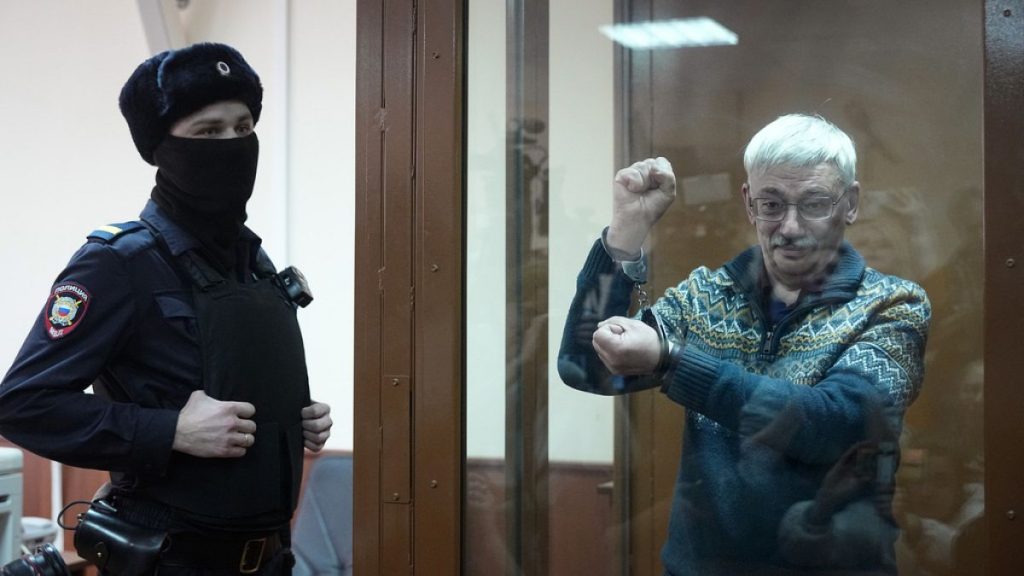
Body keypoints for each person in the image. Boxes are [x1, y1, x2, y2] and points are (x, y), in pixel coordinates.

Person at [0, 42, 332, 575]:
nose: (232, 144)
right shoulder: (118, 263)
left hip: (271, 558)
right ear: (161, 148)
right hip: (169, 560)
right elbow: (22, 404)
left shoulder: (256, 262)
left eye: (243, 128)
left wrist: (294, 423)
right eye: (208, 131)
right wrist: (170, 430)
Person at [558, 114, 930, 575]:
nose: (790, 226)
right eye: (772, 204)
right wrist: (624, 237)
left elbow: (834, 425)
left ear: (850, 203)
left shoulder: (893, 305)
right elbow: (583, 365)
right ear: (749, 204)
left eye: (814, 203)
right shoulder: (706, 297)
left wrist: (673, 362)